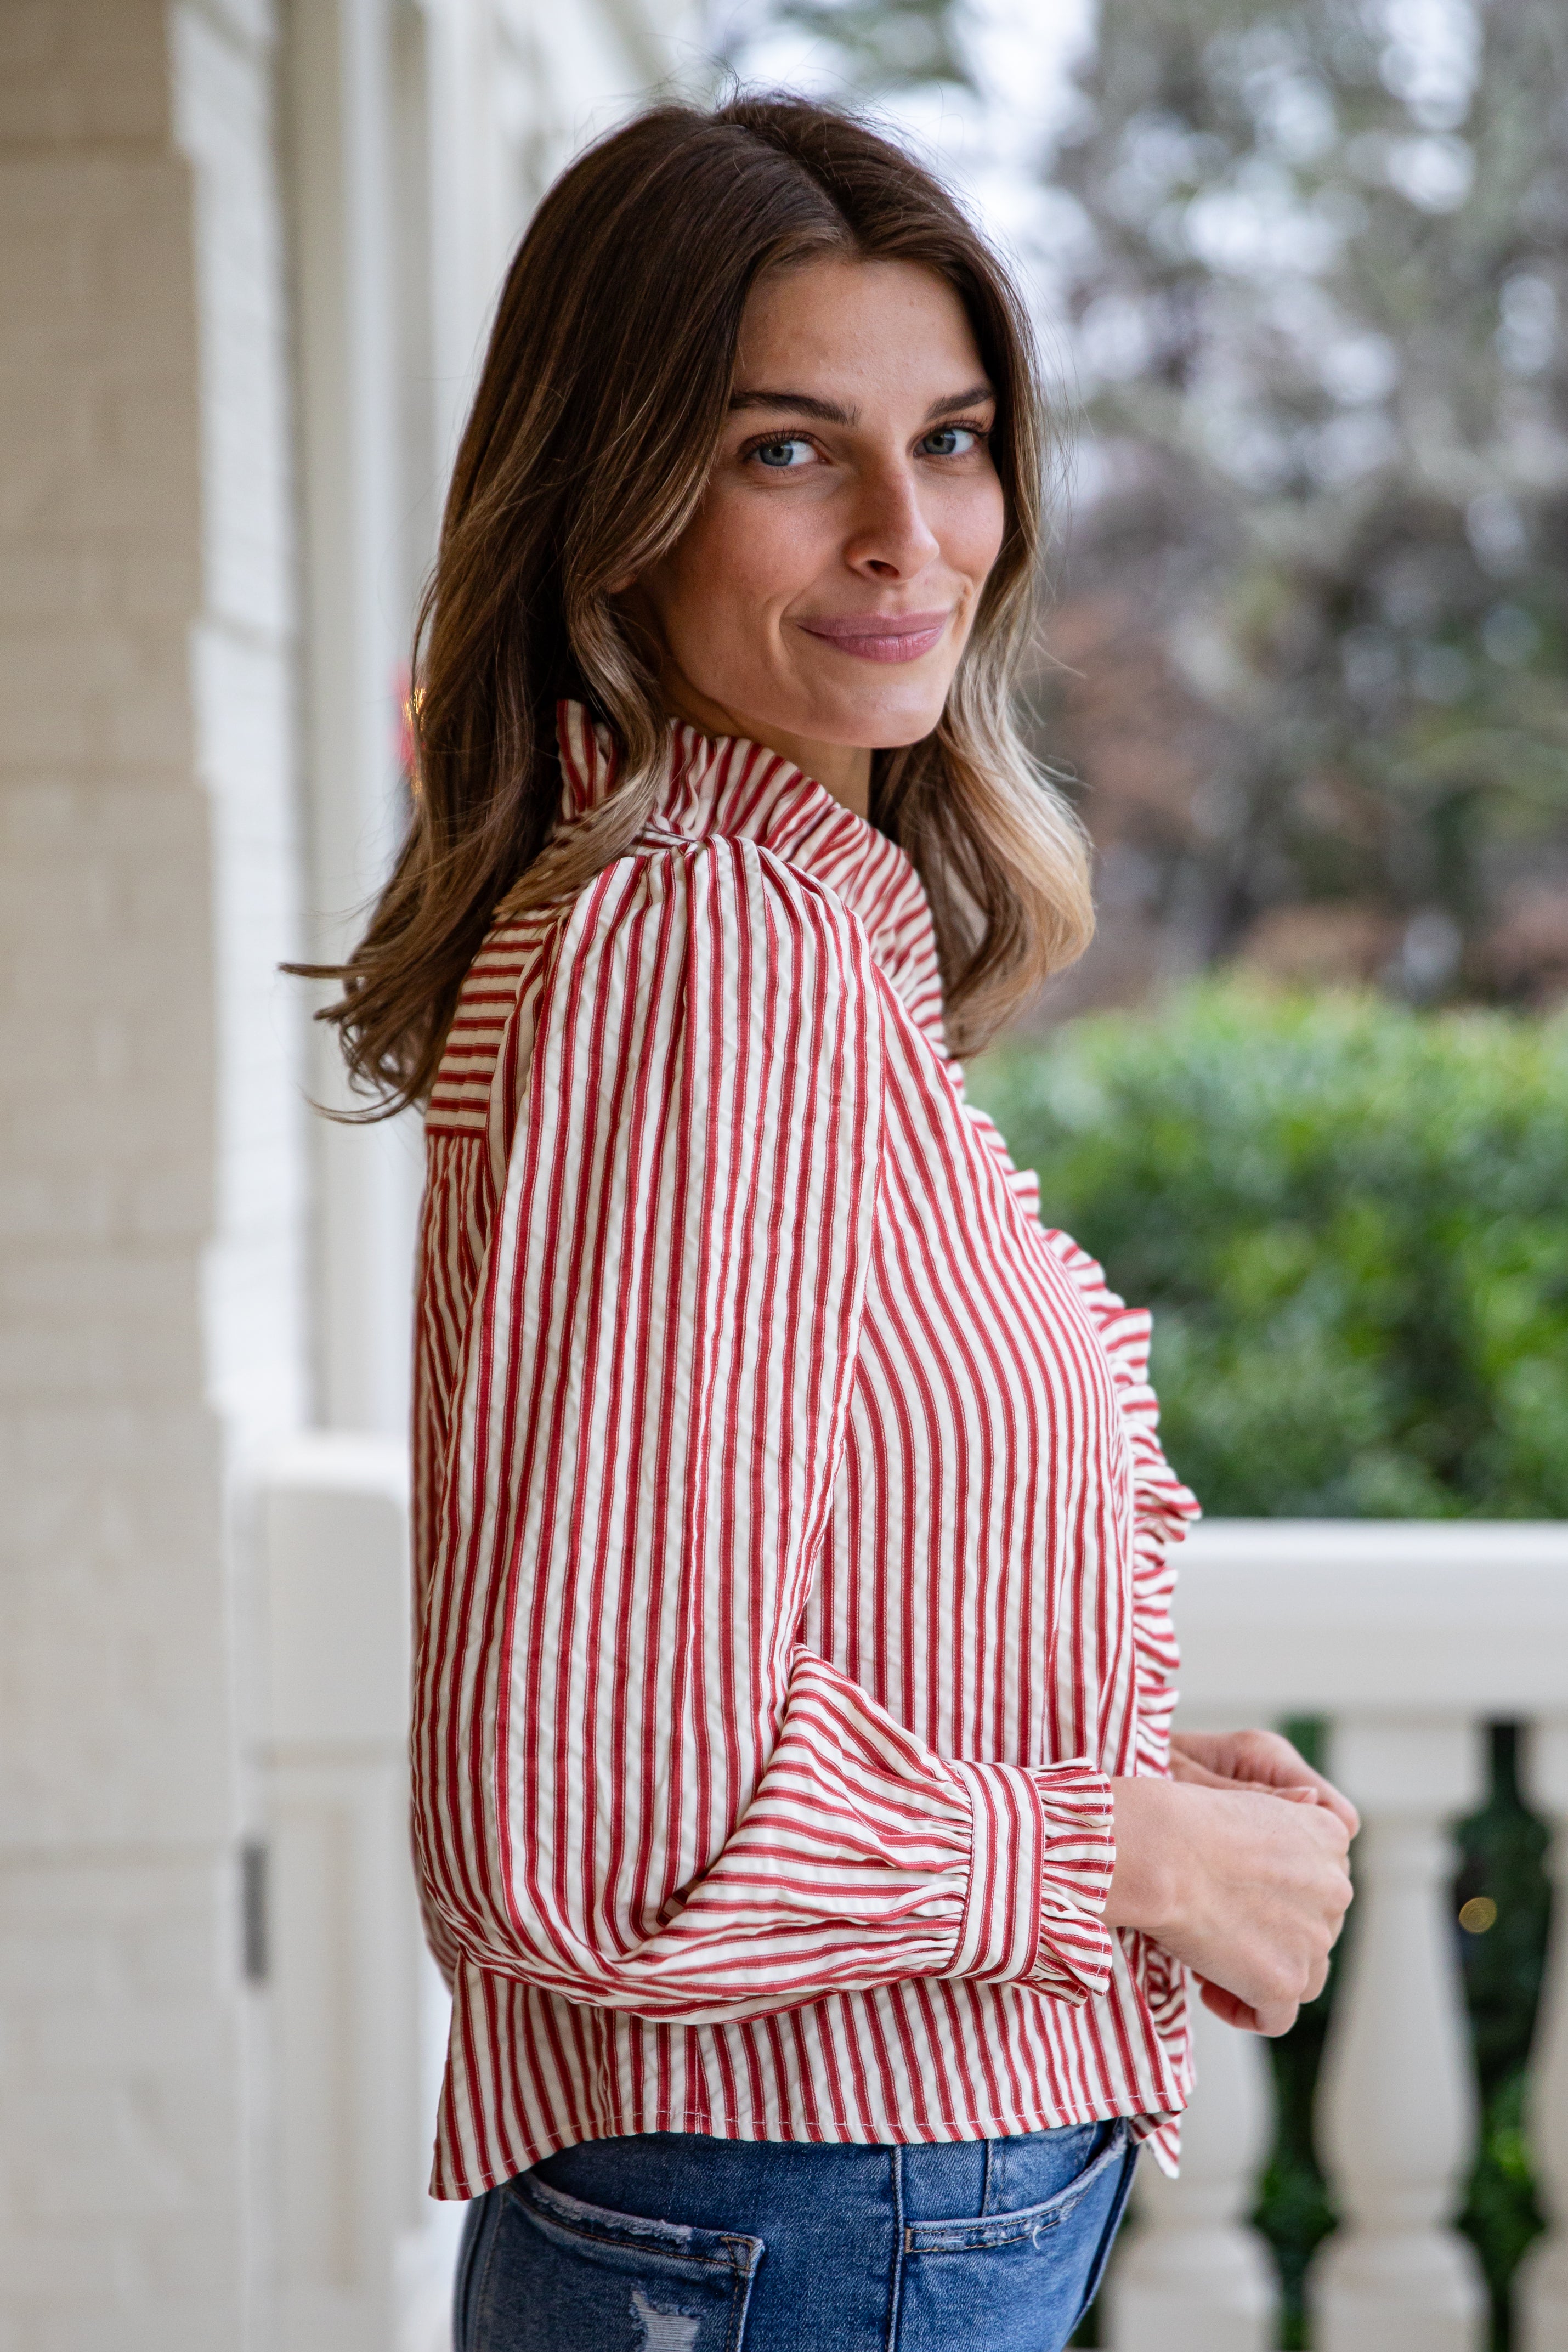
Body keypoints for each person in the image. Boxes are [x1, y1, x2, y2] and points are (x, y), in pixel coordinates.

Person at [308, 94, 1356, 2352]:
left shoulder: (788, 926)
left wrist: (1120, 1777)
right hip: (800, 2223)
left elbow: (736, 1633)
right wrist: (1124, 1859)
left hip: (824, 2215)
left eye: (953, 438)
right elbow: (579, 1819)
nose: (910, 535)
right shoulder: (706, 952)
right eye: (789, 448)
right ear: (615, 503)